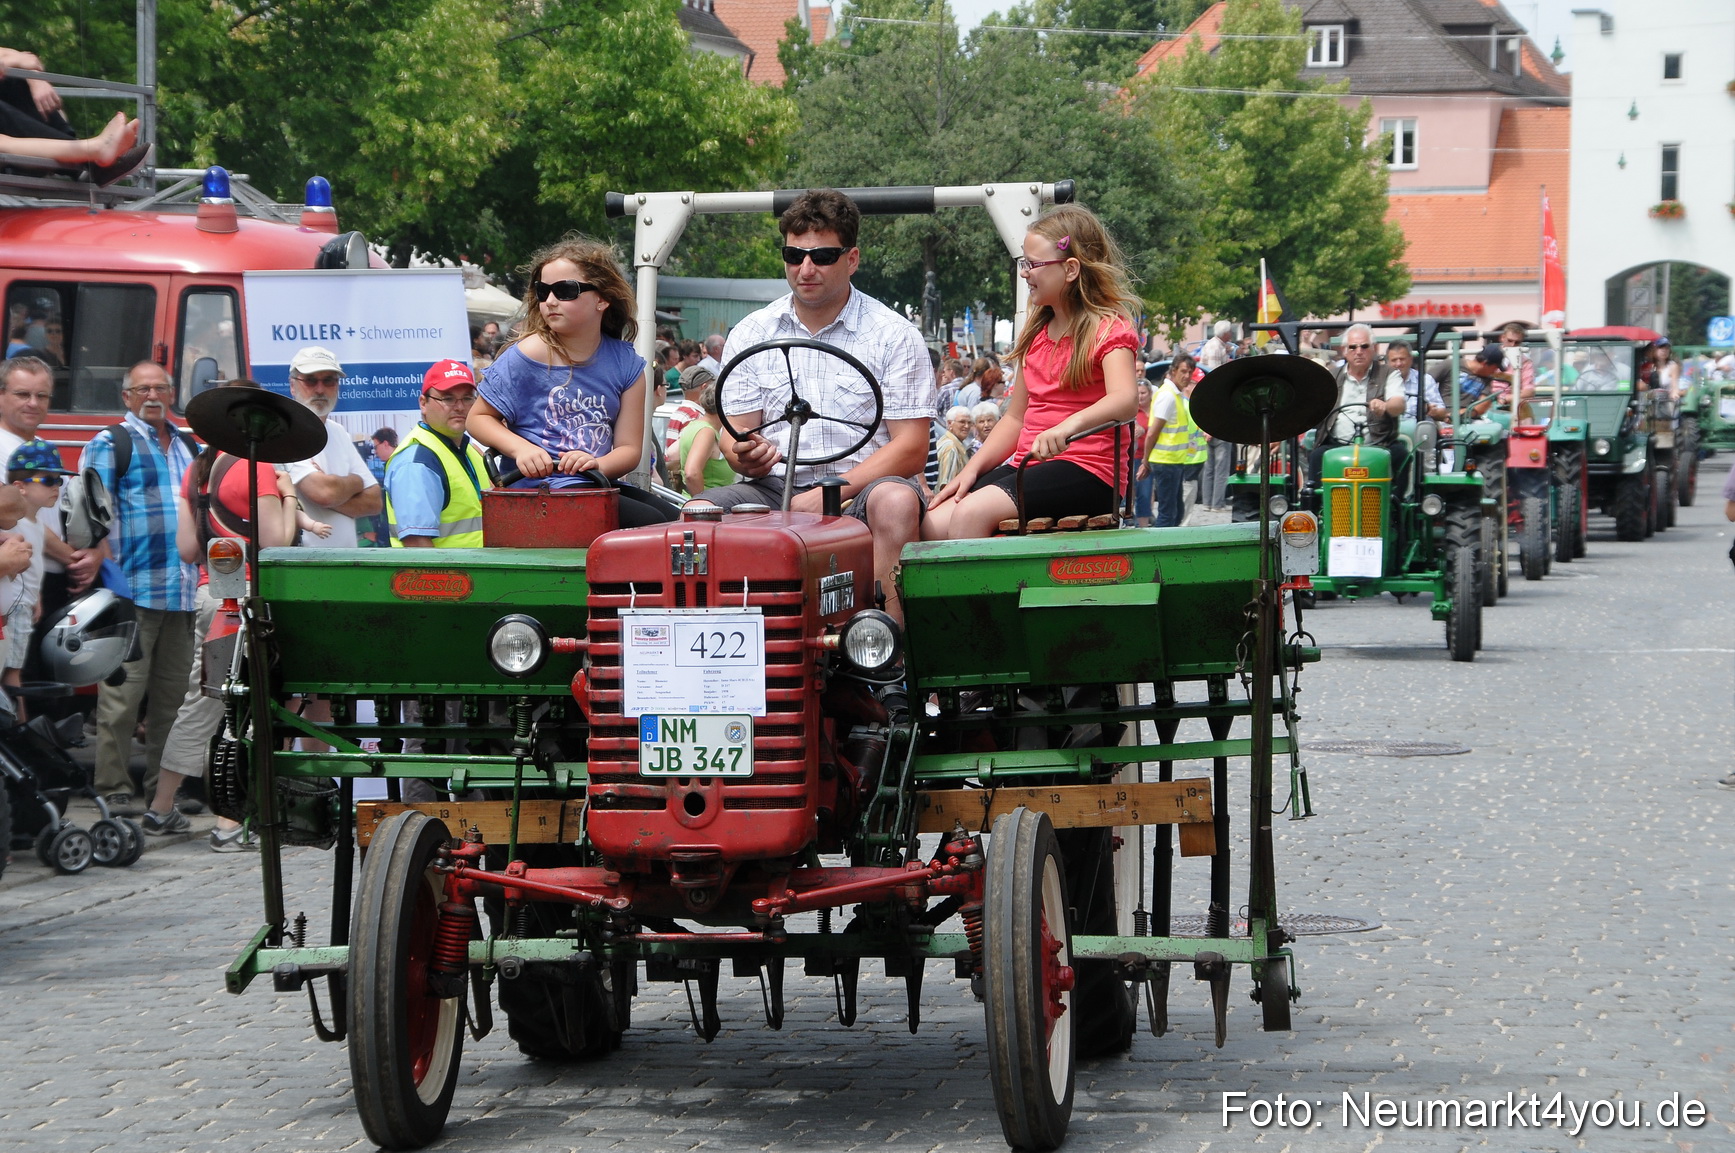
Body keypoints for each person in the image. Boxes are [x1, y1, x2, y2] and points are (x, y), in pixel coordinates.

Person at [703, 189, 933, 621]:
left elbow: (911, 448)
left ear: (852, 259)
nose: (806, 268)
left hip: (865, 488)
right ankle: (723, 665)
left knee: (897, 502)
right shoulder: (752, 332)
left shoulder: (894, 335)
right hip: (771, 488)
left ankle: (888, 659)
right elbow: (735, 436)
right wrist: (746, 454)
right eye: (794, 255)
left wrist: (833, 490)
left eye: (823, 256)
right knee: (698, 514)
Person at [147, 378, 302, 850]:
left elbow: (189, 548)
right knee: (247, 706)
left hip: (212, 593)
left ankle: (160, 808)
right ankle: (230, 821)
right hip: (252, 599)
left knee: (201, 702)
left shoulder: (199, 468)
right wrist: (290, 495)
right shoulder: (259, 468)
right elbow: (276, 543)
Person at [926, 203, 1139, 540]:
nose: (1024, 273)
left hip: (1089, 471)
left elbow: (1125, 399)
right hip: (1029, 466)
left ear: (1070, 269)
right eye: (1023, 263)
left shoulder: (1110, 327)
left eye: (1033, 264)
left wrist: (1069, 426)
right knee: (933, 522)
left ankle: (981, 594)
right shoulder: (1036, 335)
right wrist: (971, 469)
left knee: (971, 513)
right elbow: (1014, 419)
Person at [468, 235, 677, 527]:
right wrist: (521, 449)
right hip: (541, 493)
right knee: (650, 523)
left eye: (565, 290)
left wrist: (596, 464)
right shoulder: (527, 354)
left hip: (595, 484)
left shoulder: (626, 363)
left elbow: (630, 449)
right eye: (543, 291)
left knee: (678, 522)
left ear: (602, 299)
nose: (551, 301)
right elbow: (477, 418)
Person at [78, 361, 199, 823]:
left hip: (183, 591)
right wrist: (110, 578)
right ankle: (113, 790)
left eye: (161, 388)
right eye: (142, 388)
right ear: (126, 396)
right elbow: (91, 517)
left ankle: (162, 792)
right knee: (121, 698)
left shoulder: (188, 444)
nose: (153, 395)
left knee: (173, 700)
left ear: (172, 394)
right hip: (134, 591)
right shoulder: (111, 443)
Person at [383, 360, 491, 547]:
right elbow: (417, 544)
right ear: (423, 403)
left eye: (467, 398)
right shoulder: (417, 462)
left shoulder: (469, 451)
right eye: (448, 398)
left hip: (478, 572)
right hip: (451, 576)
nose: (459, 407)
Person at [282, 347, 383, 546]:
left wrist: (331, 489)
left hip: (345, 562)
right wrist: (355, 482)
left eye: (328, 380)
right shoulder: (286, 433)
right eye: (310, 380)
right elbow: (325, 493)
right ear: (293, 386)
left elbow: (374, 502)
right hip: (302, 563)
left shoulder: (338, 432)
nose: (320, 389)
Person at [0, 441, 56, 706]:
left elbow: (31, 568)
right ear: (19, 486)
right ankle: (17, 731)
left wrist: (36, 596)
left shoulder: (35, 520)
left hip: (21, 603)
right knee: (12, 672)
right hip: (13, 607)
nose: (56, 486)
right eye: (48, 479)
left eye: (59, 480)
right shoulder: (15, 519)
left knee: (12, 669)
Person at [1308, 323, 1390, 484]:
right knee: (1317, 455)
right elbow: (1311, 409)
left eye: (1364, 346)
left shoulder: (1387, 373)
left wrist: (1386, 406)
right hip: (1336, 443)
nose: (1358, 351)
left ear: (1373, 348)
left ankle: (1397, 503)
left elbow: (1398, 402)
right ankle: (1314, 504)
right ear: (1345, 350)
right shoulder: (1330, 377)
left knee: (1401, 454)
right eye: (1353, 347)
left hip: (1377, 443)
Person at [1138, 355, 1201, 527]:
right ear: (1173, 371)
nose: (1187, 376)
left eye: (1190, 372)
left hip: (1174, 461)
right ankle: (1159, 549)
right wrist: (1146, 460)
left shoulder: (1175, 394)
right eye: (1183, 371)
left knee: (1176, 511)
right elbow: (1152, 433)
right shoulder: (1168, 396)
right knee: (1168, 513)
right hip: (1165, 461)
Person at [676, 381, 734, 496]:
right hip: (706, 507)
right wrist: (703, 505)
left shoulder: (695, 425)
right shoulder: (707, 432)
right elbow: (691, 474)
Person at [935, 405, 972, 488]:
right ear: (949, 423)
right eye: (962, 422)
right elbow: (946, 485)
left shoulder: (949, 442)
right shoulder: (950, 448)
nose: (966, 426)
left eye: (969, 422)